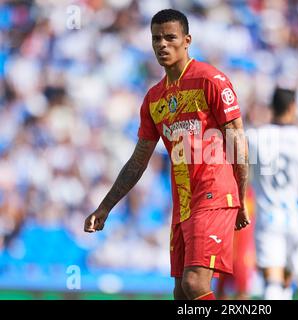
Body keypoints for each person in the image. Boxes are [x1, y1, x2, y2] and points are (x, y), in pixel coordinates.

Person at [84, 9, 250, 300]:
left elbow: (237, 137)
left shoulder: (211, 80)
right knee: (181, 294)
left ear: (187, 41)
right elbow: (138, 161)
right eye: (156, 38)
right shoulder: (154, 98)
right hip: (183, 203)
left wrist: (241, 197)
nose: (162, 44)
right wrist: (106, 206)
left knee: (195, 284)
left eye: (170, 37)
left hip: (213, 194)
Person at [249, 88, 298, 300]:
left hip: (267, 218)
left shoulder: (254, 137)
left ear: (271, 108)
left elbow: (239, 175)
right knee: (287, 280)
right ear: (293, 107)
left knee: (272, 280)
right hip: (297, 220)